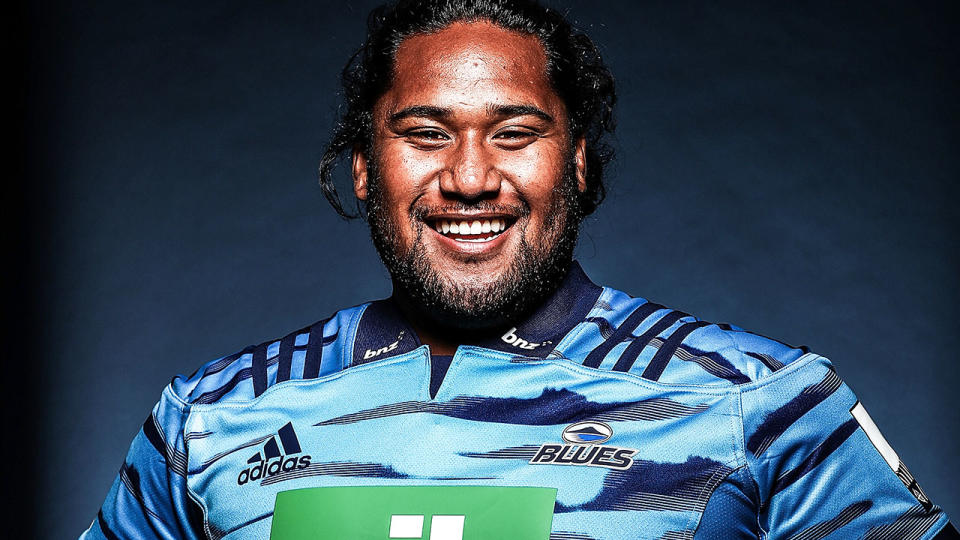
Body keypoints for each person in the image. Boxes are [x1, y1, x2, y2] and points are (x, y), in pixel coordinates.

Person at [82, 1, 957, 538]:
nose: (469, 177)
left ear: (576, 163)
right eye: (425, 133)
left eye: (514, 133)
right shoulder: (210, 416)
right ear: (361, 168)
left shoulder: (757, 398)